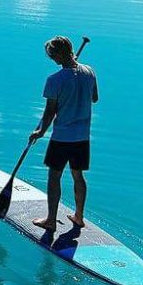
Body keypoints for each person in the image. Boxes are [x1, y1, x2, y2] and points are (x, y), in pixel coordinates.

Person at [28, 35, 98, 232]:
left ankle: (51, 220)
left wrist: (40, 131)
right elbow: (94, 98)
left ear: (59, 54)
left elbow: (50, 112)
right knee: (78, 176)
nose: (51, 59)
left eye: (52, 55)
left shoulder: (54, 80)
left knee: (54, 177)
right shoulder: (89, 72)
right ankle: (79, 216)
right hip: (82, 137)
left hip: (62, 137)